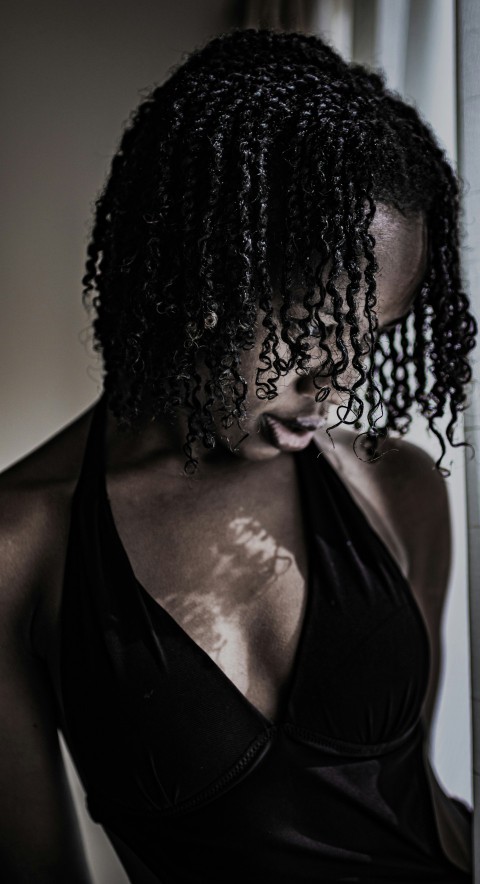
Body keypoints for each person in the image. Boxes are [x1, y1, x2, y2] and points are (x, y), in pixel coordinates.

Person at [0, 27, 477, 884]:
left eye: (373, 338)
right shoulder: (21, 546)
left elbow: (424, 807)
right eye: (317, 333)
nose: (343, 383)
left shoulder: (396, 486)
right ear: (202, 275)